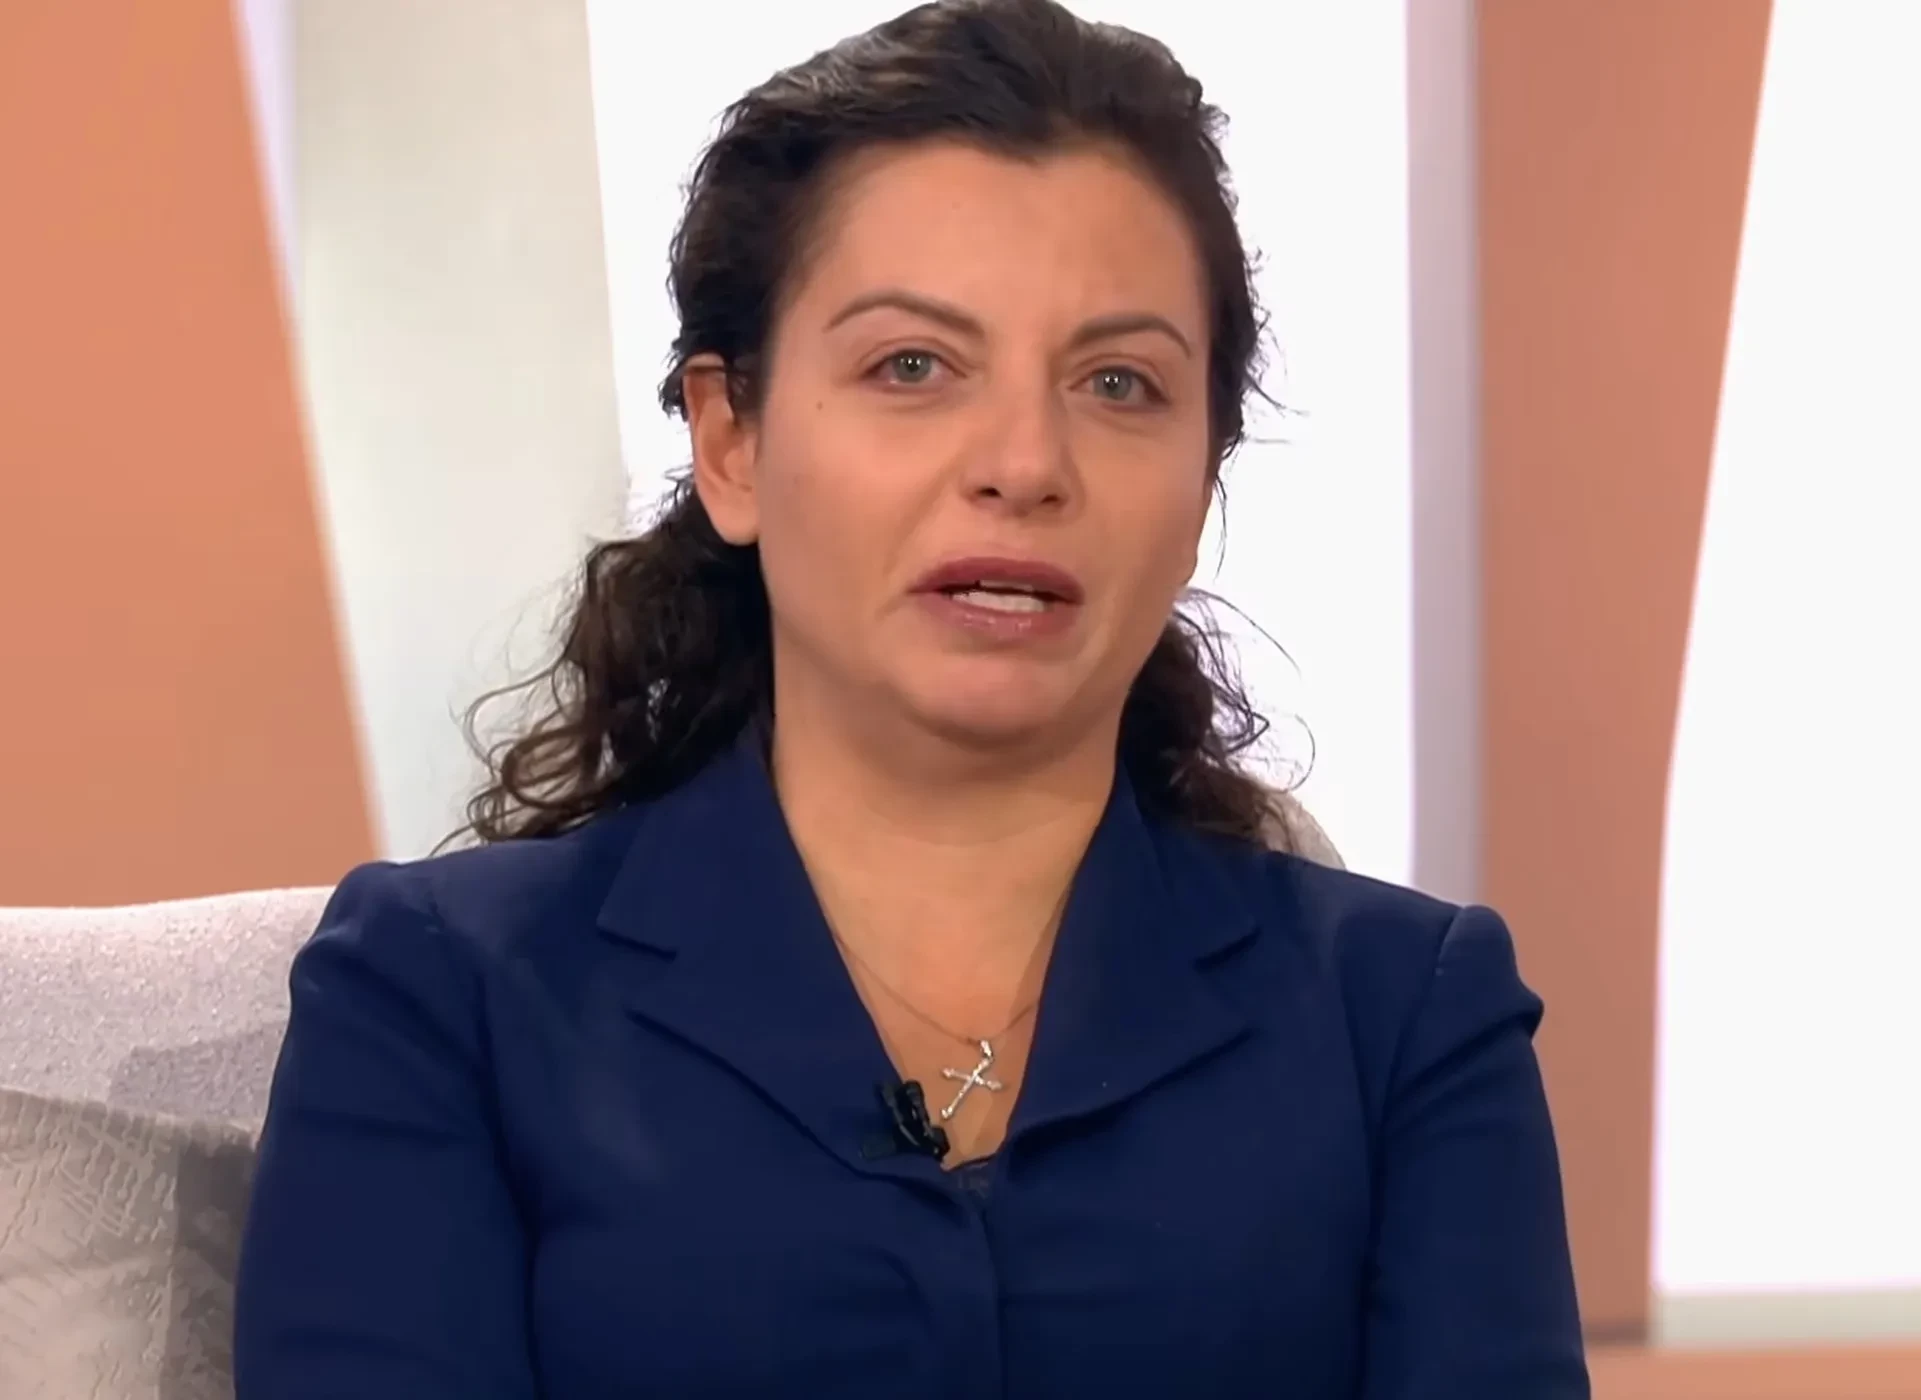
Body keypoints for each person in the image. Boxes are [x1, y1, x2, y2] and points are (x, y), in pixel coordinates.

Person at [233, 1, 1588, 1394]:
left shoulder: (1403, 1021)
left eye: (1119, 383)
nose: (1024, 462)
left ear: (1199, 493)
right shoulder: (443, 999)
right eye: (913, 367)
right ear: (731, 441)